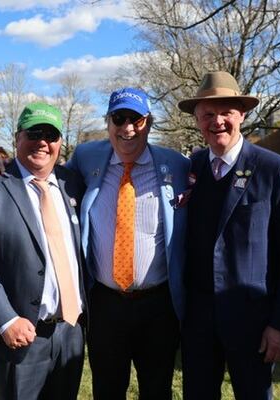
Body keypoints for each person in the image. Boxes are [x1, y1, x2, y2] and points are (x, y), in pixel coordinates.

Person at [178, 71, 280, 400]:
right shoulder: (192, 170)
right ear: (197, 120)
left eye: (226, 113)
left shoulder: (274, 169)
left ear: (243, 116)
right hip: (199, 321)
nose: (217, 121)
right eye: (208, 114)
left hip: (254, 321)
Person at [68, 88, 189, 399]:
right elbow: (45, 173)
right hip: (106, 304)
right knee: (107, 389)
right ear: (108, 123)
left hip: (158, 305)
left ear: (149, 123)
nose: (128, 128)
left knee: (157, 388)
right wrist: (9, 169)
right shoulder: (86, 158)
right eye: (119, 119)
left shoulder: (177, 165)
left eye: (136, 119)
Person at [0, 103, 87, 399]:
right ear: (18, 137)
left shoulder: (73, 185)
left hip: (70, 331)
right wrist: (6, 319)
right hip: (19, 335)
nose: (43, 142)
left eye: (51, 135)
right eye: (34, 133)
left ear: (60, 143)